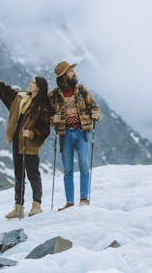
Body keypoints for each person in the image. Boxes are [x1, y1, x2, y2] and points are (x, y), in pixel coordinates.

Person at [0, 71, 52, 219]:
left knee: (32, 173)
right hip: (17, 139)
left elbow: (46, 129)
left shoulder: (44, 106)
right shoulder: (21, 97)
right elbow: (5, 92)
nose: (30, 84)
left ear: (39, 87)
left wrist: (33, 134)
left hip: (31, 143)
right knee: (19, 173)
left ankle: (36, 205)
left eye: (33, 83)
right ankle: (18, 207)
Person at [49, 61, 100, 211]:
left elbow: (94, 106)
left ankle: (84, 198)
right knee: (68, 169)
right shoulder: (53, 95)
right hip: (65, 135)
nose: (74, 73)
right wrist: (53, 119)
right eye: (71, 71)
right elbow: (46, 115)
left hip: (82, 132)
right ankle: (69, 202)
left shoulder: (82, 91)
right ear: (64, 76)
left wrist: (96, 113)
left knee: (84, 165)